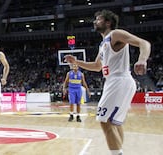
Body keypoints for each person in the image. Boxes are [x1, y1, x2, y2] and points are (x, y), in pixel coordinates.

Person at [64, 9, 151, 155]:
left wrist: (142, 60)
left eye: (98, 19)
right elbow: (97, 66)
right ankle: (119, 151)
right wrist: (76, 61)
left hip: (119, 80)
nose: (94, 21)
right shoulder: (103, 44)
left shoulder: (115, 34)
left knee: (105, 121)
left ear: (108, 22)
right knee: (115, 123)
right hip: (114, 82)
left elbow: (144, 43)